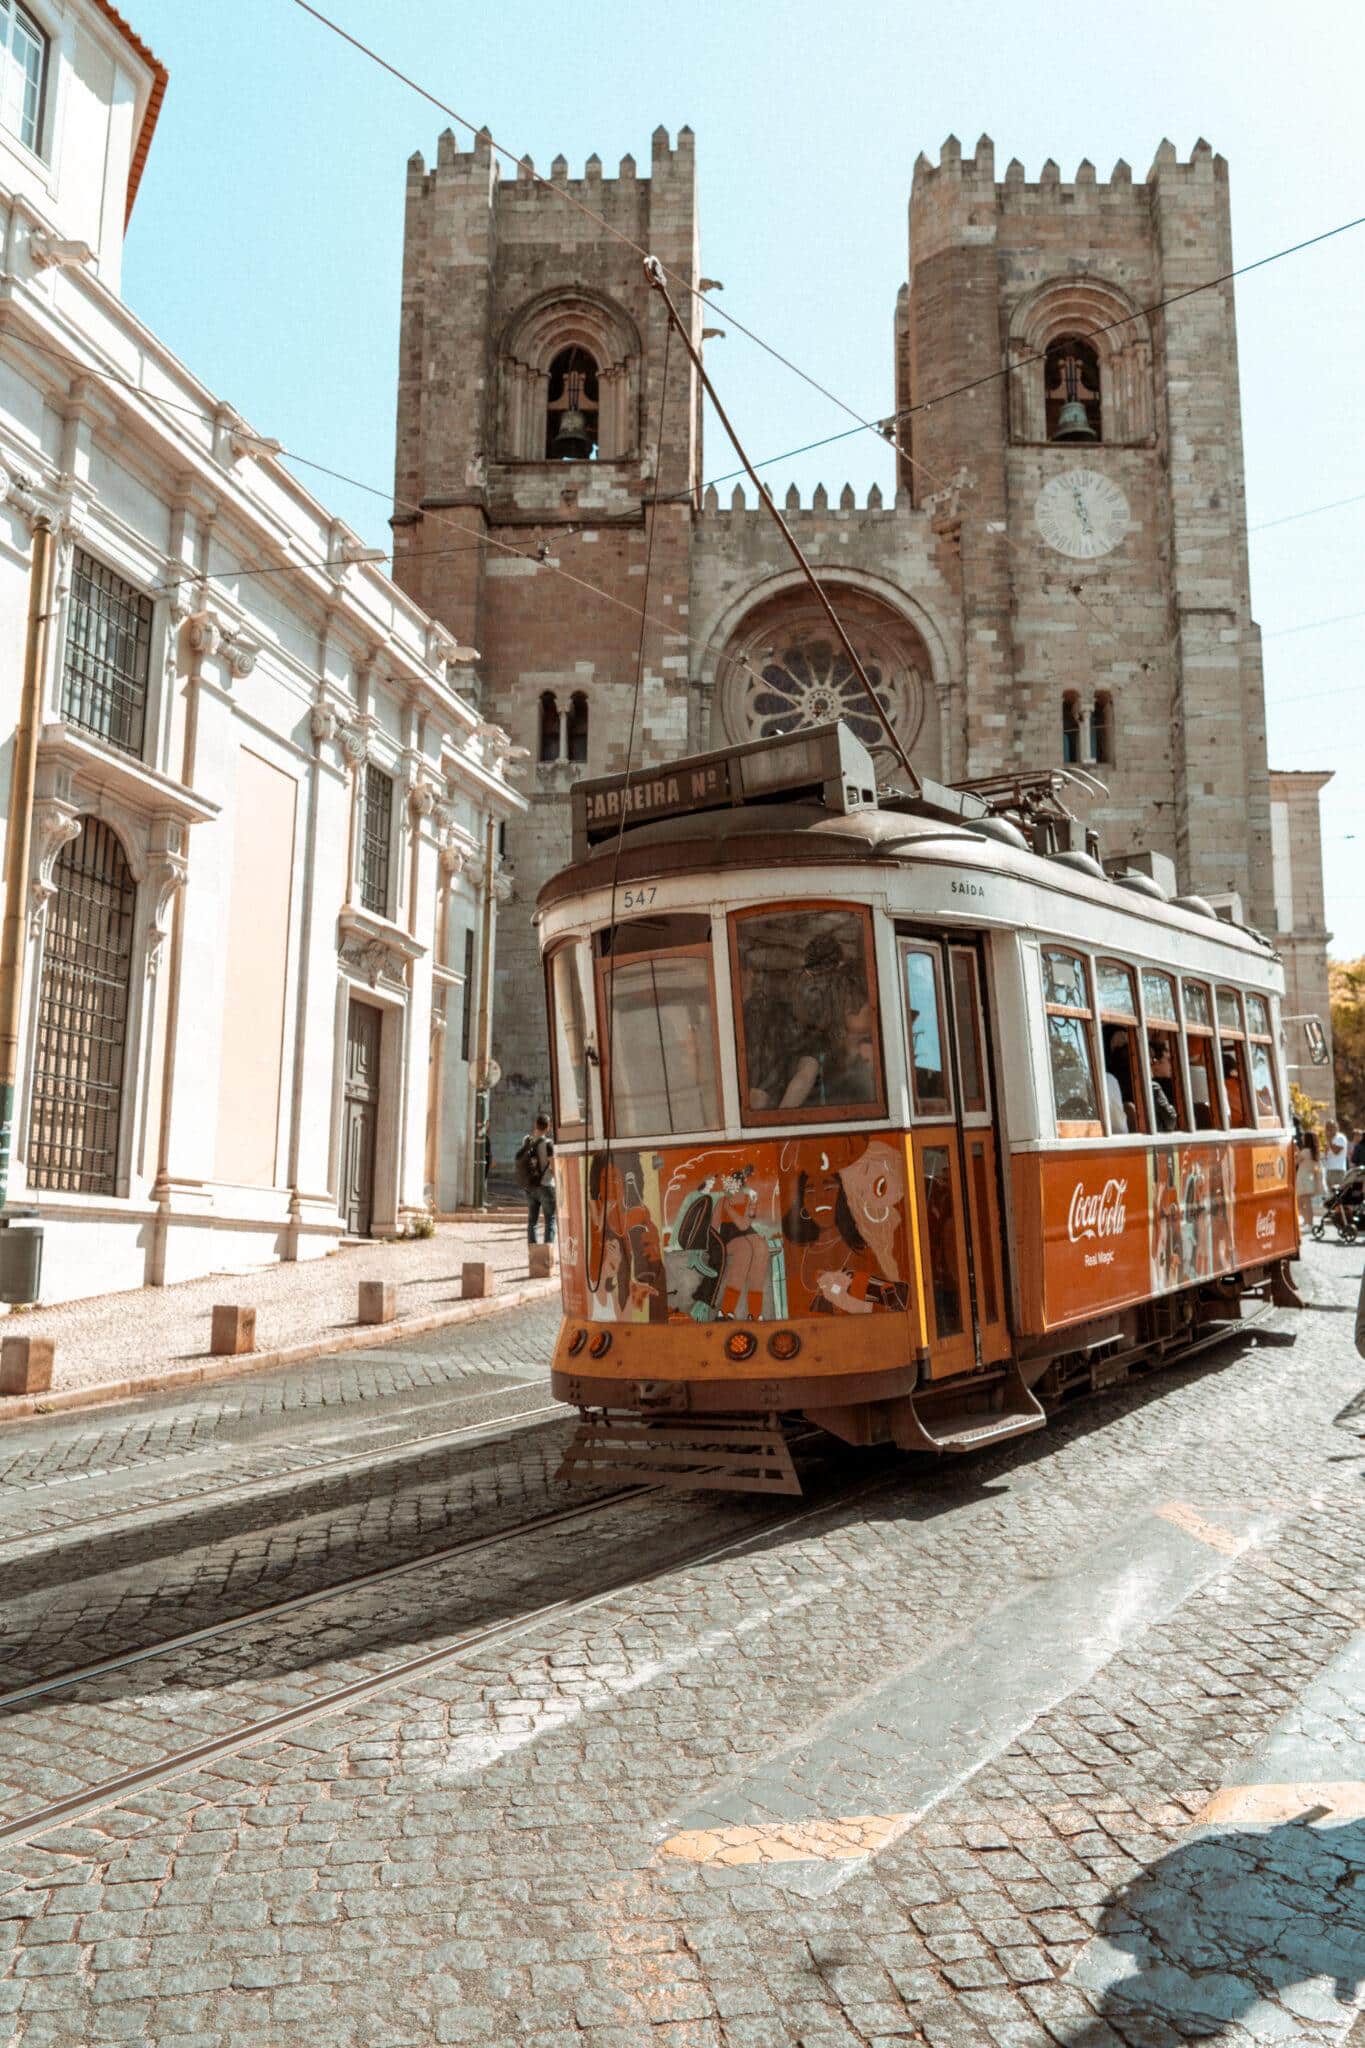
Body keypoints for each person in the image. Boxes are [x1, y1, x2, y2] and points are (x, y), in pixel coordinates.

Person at [515, 1113, 555, 1246]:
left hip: (531, 1187)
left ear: (535, 1125)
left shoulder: (527, 1141)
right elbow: (553, 1165)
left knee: (532, 1222)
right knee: (550, 1220)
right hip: (546, 1185)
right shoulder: (548, 1144)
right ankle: (546, 1254)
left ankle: (533, 1253)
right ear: (548, 1127)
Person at [1295, 1128, 1322, 1231]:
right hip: (1308, 1179)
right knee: (1304, 1202)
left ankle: (1309, 1224)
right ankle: (1307, 1222)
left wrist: (1296, 1153)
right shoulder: (1313, 1152)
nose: (1302, 1138)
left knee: (1304, 1203)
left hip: (1303, 1179)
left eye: (1304, 1136)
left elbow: (1295, 1162)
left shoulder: (1305, 1151)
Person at [1325, 1121, 1350, 1194]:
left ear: (1336, 1128)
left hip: (1338, 1170)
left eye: (1330, 1127)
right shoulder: (1331, 1139)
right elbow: (1327, 1154)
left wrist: (1329, 1141)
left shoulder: (1340, 1138)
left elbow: (1336, 1152)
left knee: (1338, 1195)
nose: (1328, 1130)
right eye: (1327, 1127)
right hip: (1329, 1170)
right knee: (1332, 1196)